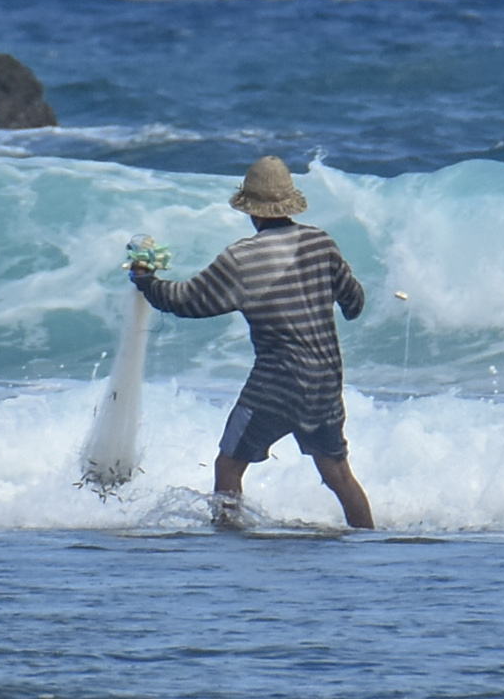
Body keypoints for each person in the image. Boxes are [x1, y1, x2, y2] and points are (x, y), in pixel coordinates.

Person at [135, 154, 375, 528]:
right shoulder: (320, 243)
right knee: (338, 475)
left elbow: (184, 301)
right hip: (325, 382)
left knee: (229, 465)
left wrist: (147, 281)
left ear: (252, 211)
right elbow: (354, 303)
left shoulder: (241, 258)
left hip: (276, 383)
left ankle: (228, 542)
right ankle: (370, 543)